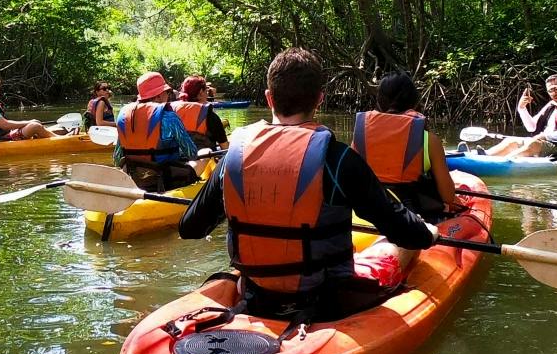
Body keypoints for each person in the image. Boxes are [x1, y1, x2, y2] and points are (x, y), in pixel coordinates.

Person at [179, 48, 434, 322]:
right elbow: (405, 232)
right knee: (410, 240)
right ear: (319, 100)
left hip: (256, 292)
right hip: (328, 298)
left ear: (269, 98)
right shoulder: (339, 159)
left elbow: (190, 228)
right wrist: (428, 232)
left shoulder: (234, 159)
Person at [353, 70, 461, 220]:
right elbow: (448, 196)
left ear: (380, 100)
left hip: (367, 214)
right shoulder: (429, 140)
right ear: (413, 101)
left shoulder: (360, 134)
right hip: (410, 220)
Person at [114, 71, 201, 188]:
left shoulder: (125, 118)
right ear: (159, 96)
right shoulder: (169, 117)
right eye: (167, 92)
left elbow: (117, 159)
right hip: (166, 179)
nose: (168, 96)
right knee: (203, 155)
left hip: (135, 180)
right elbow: (192, 154)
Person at [484, 72, 557, 158]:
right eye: (550, 91)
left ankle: (503, 163)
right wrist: (521, 108)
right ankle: (485, 156)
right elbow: (531, 127)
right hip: (552, 142)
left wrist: (545, 136)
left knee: (533, 144)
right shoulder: (552, 105)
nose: (554, 93)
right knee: (511, 141)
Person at [0, 75, 53, 143]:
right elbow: (5, 125)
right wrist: (30, 121)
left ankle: (51, 136)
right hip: (0, 140)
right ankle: (60, 139)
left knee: (43, 128)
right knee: (35, 126)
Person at [170, 75, 228, 149]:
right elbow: (225, 148)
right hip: (202, 158)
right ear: (201, 92)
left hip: (177, 157)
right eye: (206, 91)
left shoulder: (171, 110)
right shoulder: (210, 115)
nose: (207, 95)